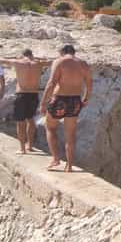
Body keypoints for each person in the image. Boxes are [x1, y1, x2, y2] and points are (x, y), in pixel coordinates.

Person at [39, 44, 91, 172]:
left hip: (60, 99)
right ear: (73, 52)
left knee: (50, 127)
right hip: (75, 100)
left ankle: (56, 159)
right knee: (71, 134)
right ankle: (69, 166)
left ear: (62, 52)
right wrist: (85, 98)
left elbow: (51, 83)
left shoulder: (59, 61)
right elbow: (89, 83)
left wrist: (43, 102)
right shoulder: (83, 64)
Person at [0, 49, 53, 154]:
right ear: (32, 55)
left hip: (21, 94)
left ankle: (22, 148)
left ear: (23, 55)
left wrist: (16, 58)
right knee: (30, 120)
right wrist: (38, 59)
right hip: (33, 94)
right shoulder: (38, 64)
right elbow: (51, 61)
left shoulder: (18, 62)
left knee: (20, 122)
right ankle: (30, 146)